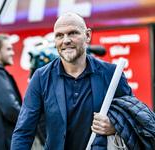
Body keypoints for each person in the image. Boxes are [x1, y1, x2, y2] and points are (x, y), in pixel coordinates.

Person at [11, 12, 133, 150]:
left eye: (73, 33)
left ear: (87, 35)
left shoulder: (111, 73)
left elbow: (134, 117)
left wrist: (115, 126)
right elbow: (23, 132)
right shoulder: (40, 77)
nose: (66, 40)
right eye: (59, 35)